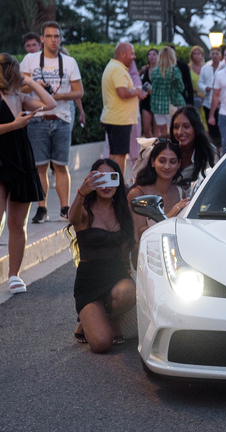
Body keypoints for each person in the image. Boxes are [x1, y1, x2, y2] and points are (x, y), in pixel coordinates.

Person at [0, 53, 56, 294]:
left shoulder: (20, 97)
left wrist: (32, 82)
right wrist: (15, 125)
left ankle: (14, 275)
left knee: (17, 222)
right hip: (1, 159)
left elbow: (50, 104)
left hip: (21, 159)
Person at [67, 158, 135, 353]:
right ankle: (87, 319)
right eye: (100, 178)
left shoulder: (123, 209)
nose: (106, 184)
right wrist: (82, 190)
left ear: (118, 181)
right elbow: (72, 218)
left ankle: (109, 317)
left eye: (111, 178)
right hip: (89, 283)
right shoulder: (85, 212)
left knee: (129, 292)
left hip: (116, 276)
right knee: (101, 344)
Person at [20, 21, 84, 224]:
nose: (53, 40)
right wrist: (33, 84)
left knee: (61, 166)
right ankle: (42, 208)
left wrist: (60, 95)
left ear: (60, 38)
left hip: (61, 119)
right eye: (49, 36)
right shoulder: (30, 60)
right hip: (38, 119)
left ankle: (65, 208)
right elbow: (18, 89)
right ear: (42, 39)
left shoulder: (69, 62)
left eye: (56, 36)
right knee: (40, 167)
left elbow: (79, 91)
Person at [127, 139, 190, 263]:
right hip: (145, 259)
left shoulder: (180, 193)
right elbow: (139, 237)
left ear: (178, 164)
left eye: (172, 162)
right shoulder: (138, 194)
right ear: (152, 162)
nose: (167, 166)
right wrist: (170, 214)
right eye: (162, 161)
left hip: (173, 258)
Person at [100, 42, 145, 174]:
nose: (134, 57)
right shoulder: (118, 70)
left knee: (114, 154)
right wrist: (137, 92)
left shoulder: (113, 67)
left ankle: (112, 183)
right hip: (119, 120)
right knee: (119, 156)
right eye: (132, 53)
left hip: (115, 118)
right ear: (122, 54)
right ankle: (118, 185)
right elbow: (123, 92)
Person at [169, 106, 216, 195]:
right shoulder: (165, 150)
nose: (179, 132)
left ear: (197, 129)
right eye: (176, 127)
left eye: (186, 127)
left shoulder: (209, 152)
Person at [150, 47, 185, 138]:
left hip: (157, 106)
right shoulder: (174, 70)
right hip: (172, 105)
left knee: (163, 131)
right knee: (174, 130)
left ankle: (166, 147)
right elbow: (181, 88)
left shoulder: (155, 71)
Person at [198, 47, 222, 148]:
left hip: (221, 103)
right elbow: (200, 82)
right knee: (211, 127)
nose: (215, 55)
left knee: (220, 126)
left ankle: (221, 146)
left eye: (217, 53)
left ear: (220, 55)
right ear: (210, 55)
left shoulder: (224, 67)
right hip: (208, 101)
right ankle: (214, 146)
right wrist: (204, 88)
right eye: (213, 53)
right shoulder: (205, 67)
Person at [139, 48, 158, 138]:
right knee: (146, 129)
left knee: (157, 129)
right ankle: (151, 147)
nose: (151, 57)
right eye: (149, 54)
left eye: (154, 54)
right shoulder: (144, 69)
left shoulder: (161, 70)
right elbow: (137, 79)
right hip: (146, 101)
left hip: (158, 101)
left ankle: (158, 149)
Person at [188, 46, 207, 130]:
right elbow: (187, 84)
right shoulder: (188, 67)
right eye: (194, 54)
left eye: (198, 54)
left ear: (202, 55)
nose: (196, 56)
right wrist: (196, 91)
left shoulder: (206, 67)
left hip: (206, 96)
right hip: (194, 97)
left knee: (205, 121)